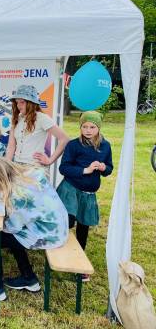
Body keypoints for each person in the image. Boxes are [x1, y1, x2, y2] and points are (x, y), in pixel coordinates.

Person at [0, 158, 68, 301]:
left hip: (48, 235)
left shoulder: (18, 196)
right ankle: (29, 278)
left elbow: (13, 227)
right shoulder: (31, 175)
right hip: (58, 226)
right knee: (14, 238)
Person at [56, 111, 113, 282]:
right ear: (80, 127)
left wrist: (104, 168)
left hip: (88, 194)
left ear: (98, 128)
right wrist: (85, 170)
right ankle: (58, 253)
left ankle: (79, 263)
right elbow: (63, 168)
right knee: (68, 221)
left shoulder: (105, 146)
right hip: (70, 189)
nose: (88, 130)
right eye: (84, 126)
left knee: (83, 226)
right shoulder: (74, 145)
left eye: (92, 127)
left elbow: (109, 169)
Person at [5, 85, 69, 170]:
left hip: (34, 167)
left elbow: (64, 139)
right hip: (16, 166)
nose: (18, 105)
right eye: (17, 102)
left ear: (31, 103)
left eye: (22, 102)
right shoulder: (16, 119)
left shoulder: (42, 118)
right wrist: (5, 167)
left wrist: (50, 160)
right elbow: (11, 146)